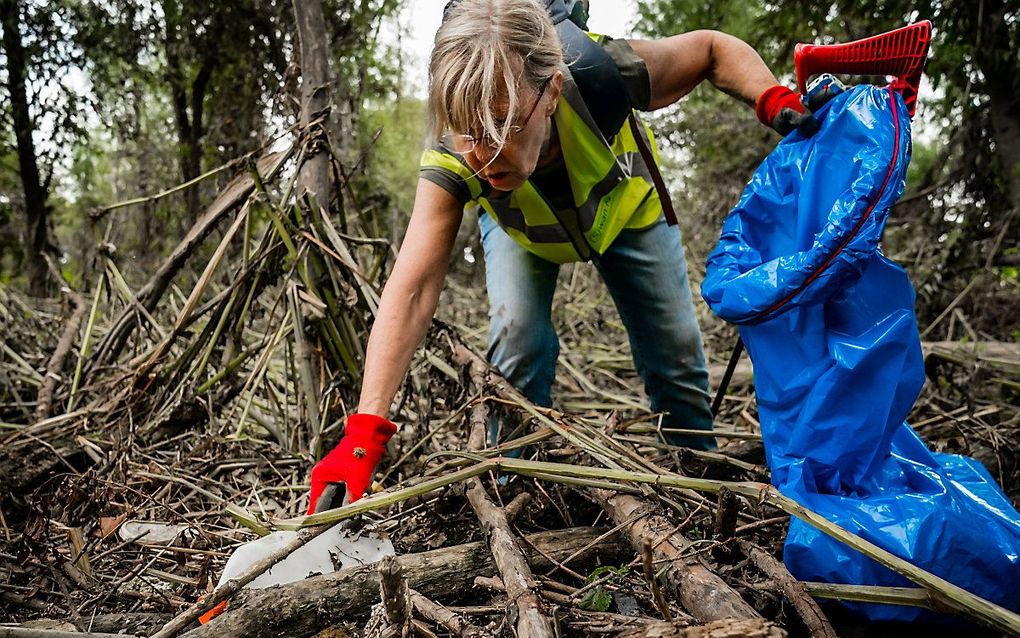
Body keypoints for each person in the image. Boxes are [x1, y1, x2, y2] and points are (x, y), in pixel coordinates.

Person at [307, 0, 816, 511]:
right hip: (525, 232)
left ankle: (700, 486)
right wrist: (364, 432)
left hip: (627, 211)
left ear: (550, 91)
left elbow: (711, 49)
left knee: (676, 354)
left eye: (504, 124)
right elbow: (413, 287)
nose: (484, 154)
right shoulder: (457, 150)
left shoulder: (602, 72)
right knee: (517, 341)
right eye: (470, 133)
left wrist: (771, 97)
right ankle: (515, 492)